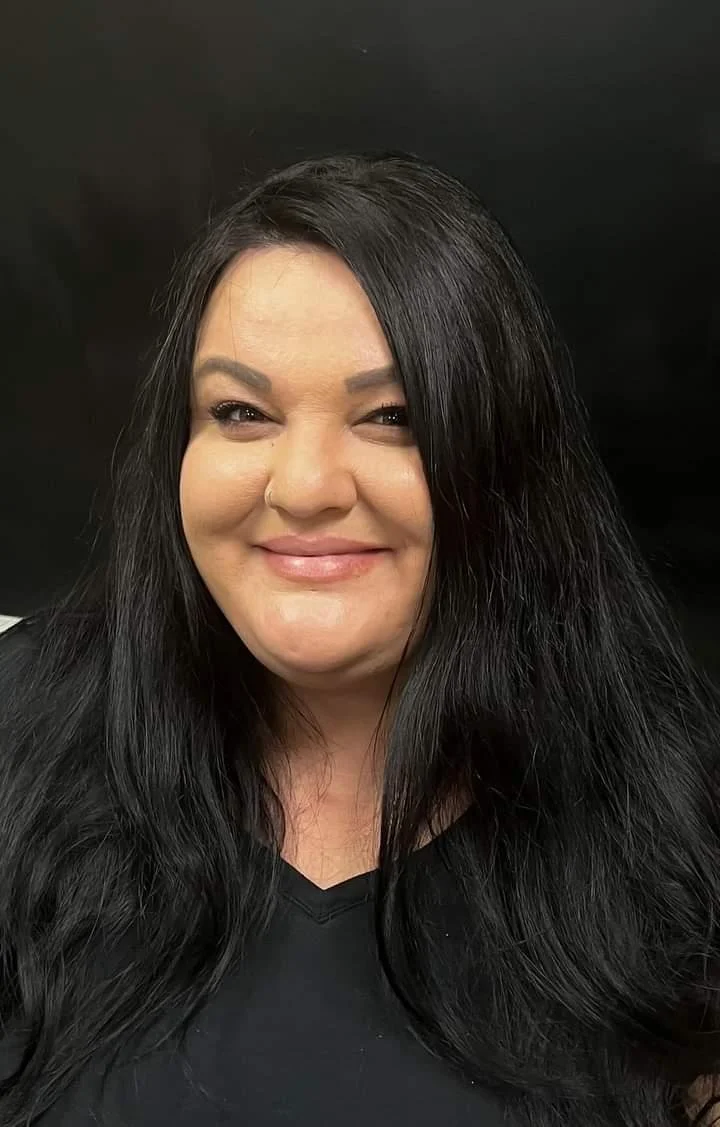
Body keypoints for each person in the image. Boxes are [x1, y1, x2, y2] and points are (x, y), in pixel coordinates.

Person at [0, 150, 719, 1127]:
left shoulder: (676, 824)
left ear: (502, 461)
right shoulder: (21, 726)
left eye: (392, 416)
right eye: (240, 411)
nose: (304, 487)